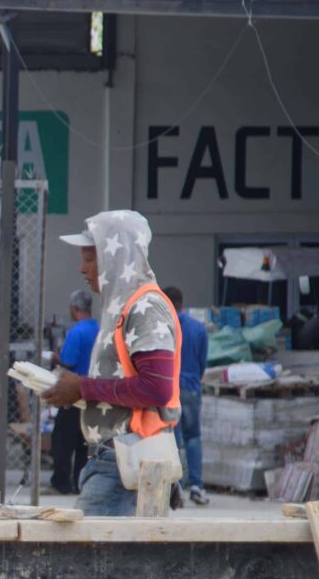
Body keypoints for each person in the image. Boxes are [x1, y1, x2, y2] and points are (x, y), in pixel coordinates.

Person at [40, 211, 183, 517]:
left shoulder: (145, 307)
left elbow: (156, 389)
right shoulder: (122, 307)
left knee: (87, 549)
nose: (82, 268)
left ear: (116, 258)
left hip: (125, 461)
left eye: (89, 258)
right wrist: (78, 392)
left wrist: (83, 387)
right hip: (115, 460)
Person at [162, 285, 211, 505]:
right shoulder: (198, 328)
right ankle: (197, 486)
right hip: (191, 388)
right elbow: (202, 362)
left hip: (171, 389)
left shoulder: (164, 327)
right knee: (193, 437)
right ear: (181, 303)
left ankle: (177, 485)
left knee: (174, 439)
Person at [48, 288, 98, 495]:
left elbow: (68, 361)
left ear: (75, 308)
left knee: (62, 440)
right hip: (93, 392)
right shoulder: (99, 329)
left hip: (73, 392)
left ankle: (61, 482)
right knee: (84, 442)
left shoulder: (76, 332)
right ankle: (80, 481)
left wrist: (55, 358)